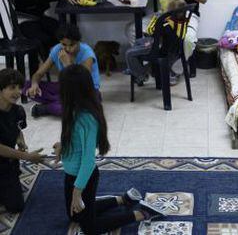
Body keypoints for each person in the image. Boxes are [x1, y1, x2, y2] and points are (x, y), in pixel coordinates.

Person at [54, 64, 165, 234]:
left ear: (71, 92)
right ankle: (123, 200)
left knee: (90, 228)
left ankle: (142, 213)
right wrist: (62, 145)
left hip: (84, 178)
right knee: (74, 216)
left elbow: (88, 160)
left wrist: (78, 191)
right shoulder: (72, 110)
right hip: (71, 175)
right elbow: (73, 137)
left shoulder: (87, 119)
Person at [24, 24, 100, 118]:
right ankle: (62, 102)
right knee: (26, 86)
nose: (68, 49)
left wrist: (68, 64)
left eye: (72, 45)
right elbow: (39, 73)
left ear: (78, 42)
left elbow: (82, 82)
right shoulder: (57, 50)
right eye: (64, 44)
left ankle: (48, 108)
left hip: (86, 90)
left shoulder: (87, 54)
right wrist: (34, 84)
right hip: (65, 88)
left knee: (82, 110)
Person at [0, 69, 46, 213]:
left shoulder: (18, 111)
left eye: (20, 87)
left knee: (16, 206)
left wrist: (21, 141)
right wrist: (26, 156)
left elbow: (18, 128)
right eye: (12, 88)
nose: (18, 92)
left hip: (8, 164)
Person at [125, 0, 187, 85]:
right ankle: (138, 68)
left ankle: (141, 74)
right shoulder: (181, 22)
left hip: (158, 47)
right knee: (138, 42)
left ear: (169, 12)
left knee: (129, 53)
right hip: (169, 47)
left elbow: (151, 32)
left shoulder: (164, 23)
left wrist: (156, 20)